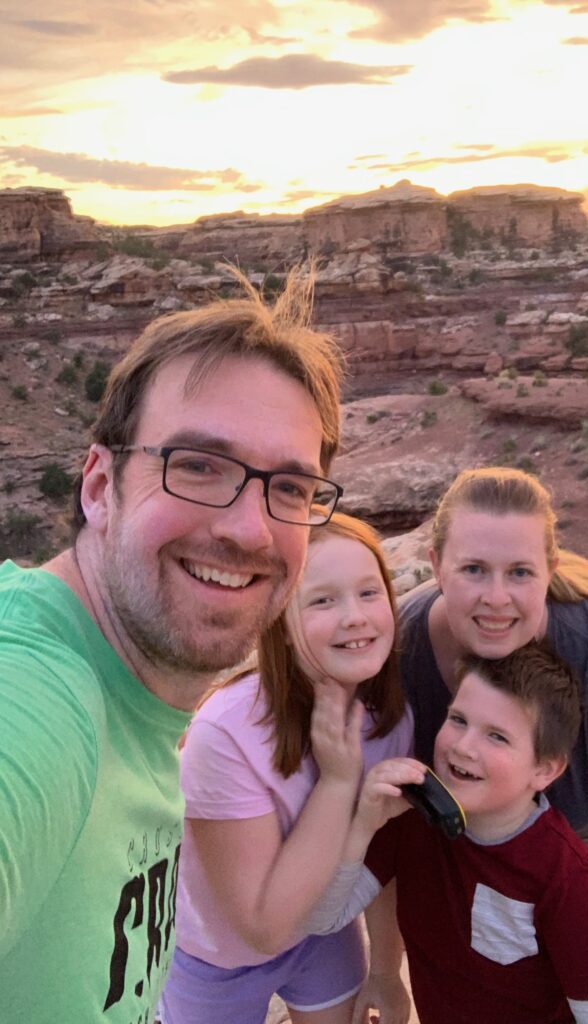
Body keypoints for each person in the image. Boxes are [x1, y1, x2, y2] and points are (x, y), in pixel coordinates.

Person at [0, 270, 346, 1022]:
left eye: (290, 489)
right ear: (99, 486)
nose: (251, 529)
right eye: (197, 466)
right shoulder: (36, 697)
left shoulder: (142, 703)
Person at [395, 466, 588, 1024]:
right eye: (474, 570)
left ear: (549, 571)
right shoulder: (400, 650)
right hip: (465, 826)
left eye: (520, 573)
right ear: (435, 565)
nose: (497, 598)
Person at [307, 643, 588, 1024]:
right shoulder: (411, 819)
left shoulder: (571, 884)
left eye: (497, 737)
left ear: (545, 770)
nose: (464, 746)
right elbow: (324, 918)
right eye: (458, 720)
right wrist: (364, 825)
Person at [157, 512, 413, 1024]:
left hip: (324, 932)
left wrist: (386, 972)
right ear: (281, 620)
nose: (356, 617)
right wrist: (339, 783)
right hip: (215, 958)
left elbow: (385, 865)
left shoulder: (388, 717)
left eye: (369, 593)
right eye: (322, 600)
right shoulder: (227, 734)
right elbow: (263, 927)